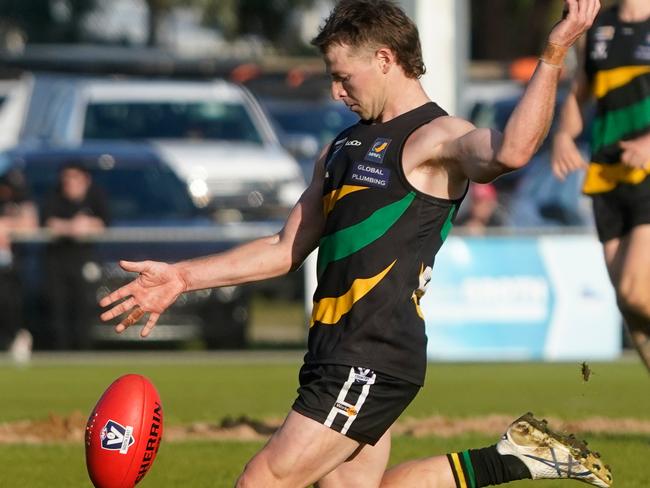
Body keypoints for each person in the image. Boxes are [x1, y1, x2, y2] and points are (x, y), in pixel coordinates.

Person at [101, 1, 611, 487]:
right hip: (330, 350)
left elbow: (514, 149)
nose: (335, 91)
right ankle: (512, 458)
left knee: (262, 481)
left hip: (373, 353)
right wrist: (184, 277)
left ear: (385, 60)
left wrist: (554, 51)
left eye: (344, 76)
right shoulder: (341, 148)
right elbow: (283, 248)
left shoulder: (437, 138)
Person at [551, 0, 650, 372]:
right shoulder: (597, 27)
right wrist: (563, 136)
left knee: (636, 294)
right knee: (629, 306)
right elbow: (580, 92)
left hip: (647, 173)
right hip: (607, 175)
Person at [43, 162, 109, 350]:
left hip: (84, 259)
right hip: (57, 260)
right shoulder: (54, 196)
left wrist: (88, 224)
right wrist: (70, 227)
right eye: (66, 178)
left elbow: (104, 222)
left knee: (83, 304)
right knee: (57, 306)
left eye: (74, 177)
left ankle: (84, 348)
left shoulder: (96, 196)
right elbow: (47, 222)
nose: (69, 182)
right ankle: (59, 349)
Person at [0, 168, 38, 359]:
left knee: (11, 305)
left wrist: (7, 226)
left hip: (13, 268)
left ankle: (15, 339)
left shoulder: (23, 203)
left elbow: (29, 224)